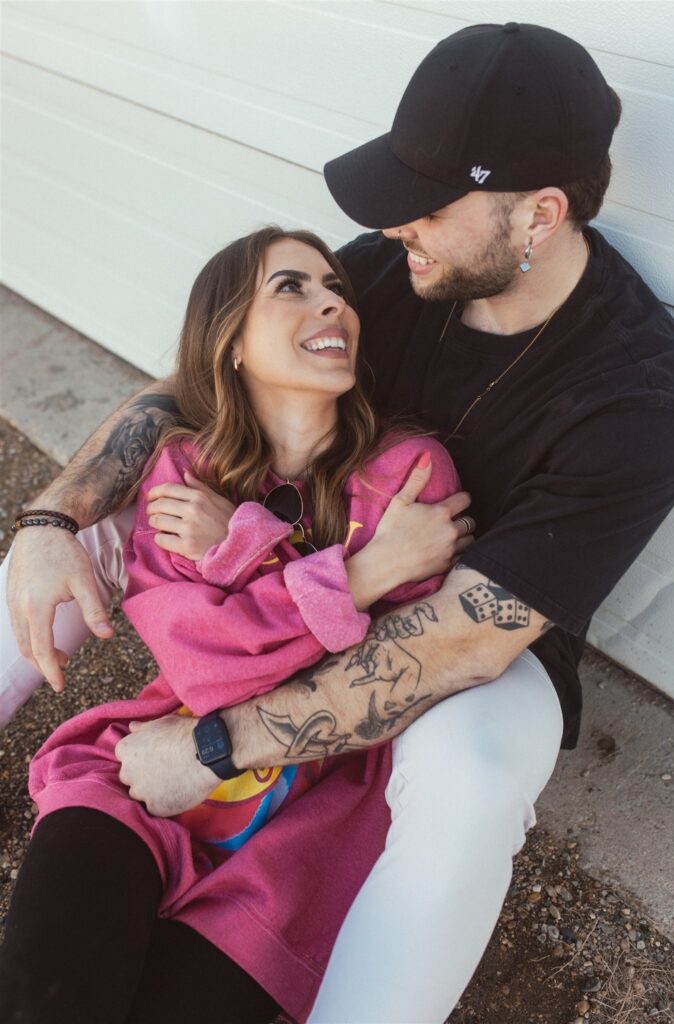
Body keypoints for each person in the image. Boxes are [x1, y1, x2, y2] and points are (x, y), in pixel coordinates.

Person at [2, 22, 674, 1024]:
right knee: (105, 514)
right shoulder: (396, 265)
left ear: (536, 215)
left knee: (479, 763)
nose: (393, 225)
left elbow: (458, 637)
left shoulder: (634, 397)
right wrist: (54, 515)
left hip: (470, 635)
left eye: (427, 204)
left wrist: (214, 743)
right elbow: (201, 378)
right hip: (291, 555)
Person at [0, 225, 475, 1023]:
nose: (330, 299)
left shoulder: (409, 473)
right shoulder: (188, 470)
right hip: (138, 780)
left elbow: (382, 676)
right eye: (289, 286)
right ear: (228, 344)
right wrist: (353, 575)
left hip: (299, 834)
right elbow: (202, 667)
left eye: (334, 288)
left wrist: (241, 559)